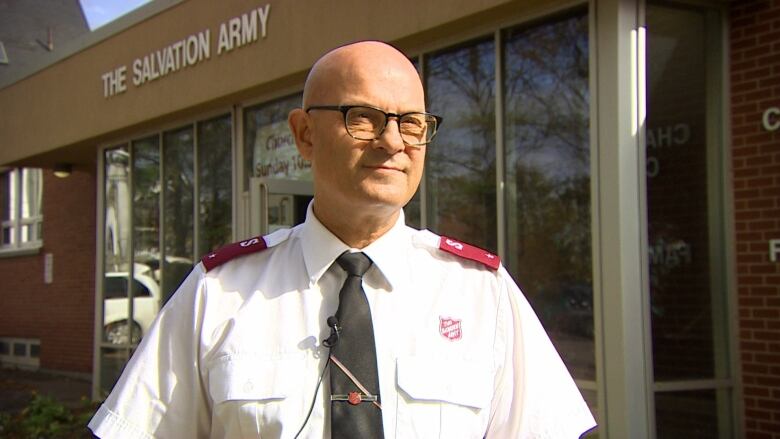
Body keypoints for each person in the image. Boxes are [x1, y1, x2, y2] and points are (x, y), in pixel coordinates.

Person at [89, 41, 596, 438]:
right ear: (305, 134)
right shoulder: (219, 293)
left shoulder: (481, 293)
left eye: (411, 123)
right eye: (364, 119)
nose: (393, 141)